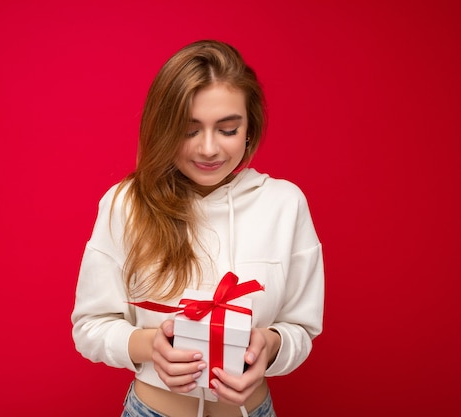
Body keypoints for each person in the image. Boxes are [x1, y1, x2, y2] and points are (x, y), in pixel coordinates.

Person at [71, 40, 324, 417]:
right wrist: (148, 345)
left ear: (249, 128)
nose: (208, 149)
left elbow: (301, 329)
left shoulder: (285, 205)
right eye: (189, 131)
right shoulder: (126, 203)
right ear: (164, 128)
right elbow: (89, 326)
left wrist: (271, 346)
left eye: (227, 129)